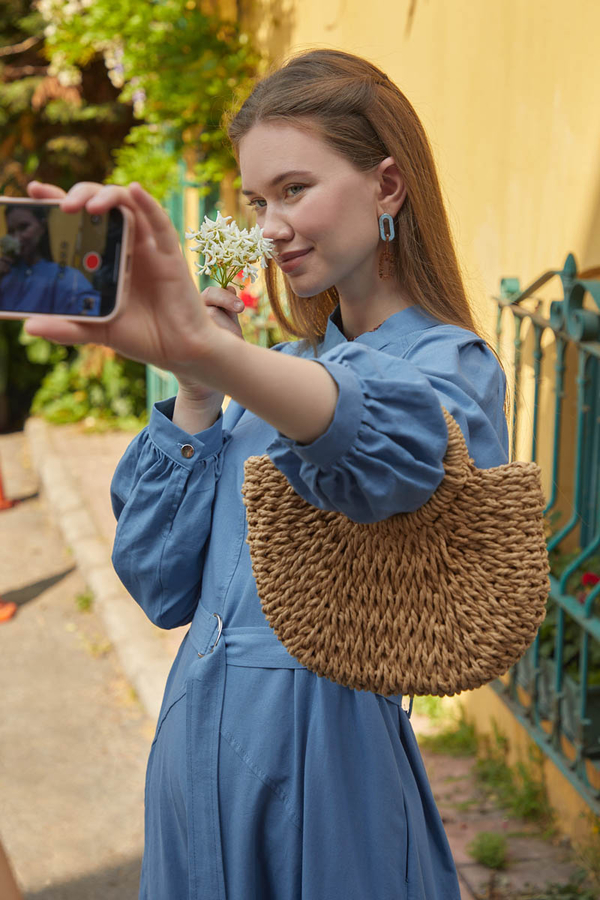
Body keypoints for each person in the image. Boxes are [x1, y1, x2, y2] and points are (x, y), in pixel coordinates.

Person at [24, 49, 509, 900]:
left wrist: (221, 355)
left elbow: (388, 449)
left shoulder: (450, 367)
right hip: (191, 756)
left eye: (294, 189)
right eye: (257, 201)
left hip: (326, 776)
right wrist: (199, 394)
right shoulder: (265, 375)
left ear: (387, 187)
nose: (270, 226)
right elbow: (159, 585)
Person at [0, 205, 101, 316]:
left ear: (42, 226)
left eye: (24, 227)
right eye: (11, 231)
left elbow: (89, 312)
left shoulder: (67, 277)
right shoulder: (6, 275)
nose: (16, 237)